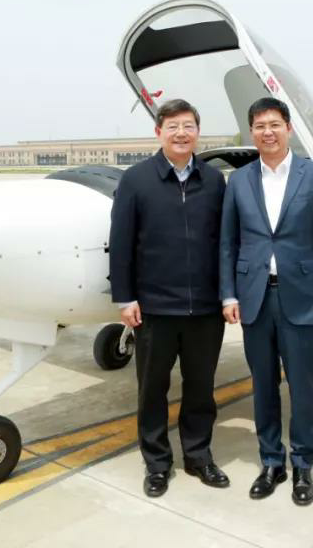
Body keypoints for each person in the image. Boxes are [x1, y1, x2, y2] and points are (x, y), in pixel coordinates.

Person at [219, 96, 313, 506]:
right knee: (263, 384)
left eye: (274, 124)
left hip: (302, 296)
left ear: (288, 128)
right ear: (251, 132)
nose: (267, 132)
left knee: (302, 385)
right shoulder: (238, 181)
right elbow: (228, 243)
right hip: (253, 297)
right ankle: (271, 462)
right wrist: (229, 293)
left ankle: (303, 465)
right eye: (259, 126)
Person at [109, 98, 229, 498]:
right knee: (151, 391)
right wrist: (125, 297)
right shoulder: (136, 180)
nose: (181, 133)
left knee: (201, 389)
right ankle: (157, 464)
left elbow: (225, 242)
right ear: (158, 132)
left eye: (188, 126)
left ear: (198, 132)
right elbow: (121, 243)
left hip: (205, 310)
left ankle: (198, 456)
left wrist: (227, 294)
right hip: (154, 310)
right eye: (173, 126)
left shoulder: (214, 181)